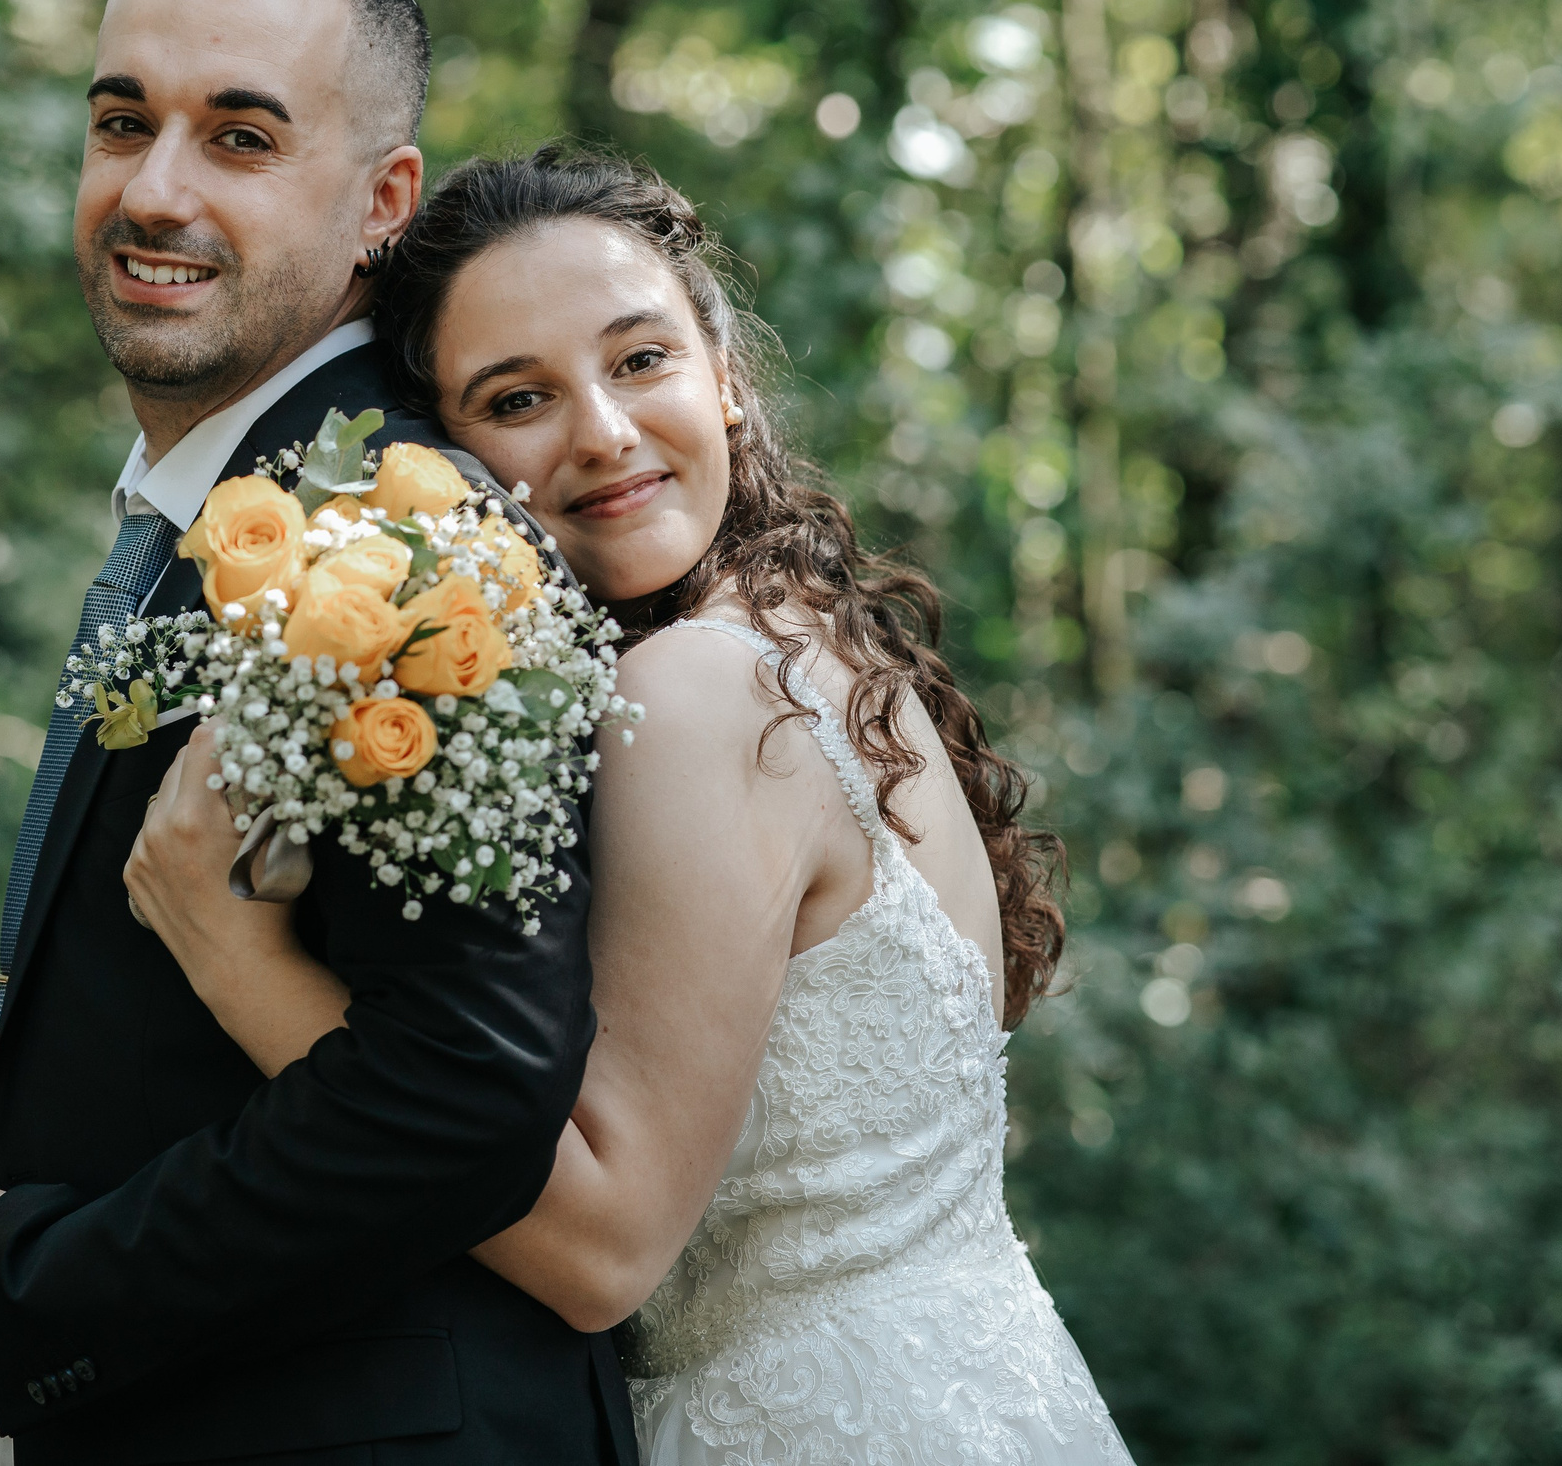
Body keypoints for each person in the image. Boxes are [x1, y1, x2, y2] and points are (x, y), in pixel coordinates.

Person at [126, 149, 1135, 1464]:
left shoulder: (700, 692)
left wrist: (233, 956)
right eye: (519, 398)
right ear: (447, 455)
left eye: (640, 359)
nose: (600, 431)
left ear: (723, 375)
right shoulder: (814, 641)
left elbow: (605, 1251)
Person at [0, 0, 637, 1466]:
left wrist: (31, 1289)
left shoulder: (409, 546)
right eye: (121, 122)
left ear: (381, 203)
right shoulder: (212, 508)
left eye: (241, 138)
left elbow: (464, 1093)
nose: (153, 190)